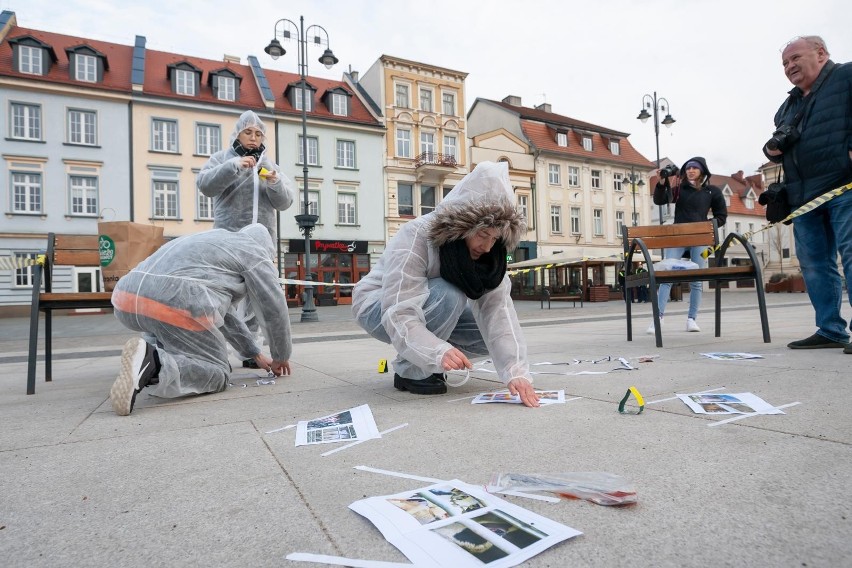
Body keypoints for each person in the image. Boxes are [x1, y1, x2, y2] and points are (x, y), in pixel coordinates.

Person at [352, 161, 540, 407]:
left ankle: (422, 354)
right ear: (463, 226)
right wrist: (435, 352)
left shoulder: (490, 257)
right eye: (483, 235)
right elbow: (399, 309)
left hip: (432, 306)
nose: (487, 247)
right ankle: (411, 370)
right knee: (449, 294)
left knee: (488, 336)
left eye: (495, 238)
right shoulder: (417, 235)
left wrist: (515, 371)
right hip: (377, 305)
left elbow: (499, 314)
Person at [108, 224, 293, 416]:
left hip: (125, 299)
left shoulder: (213, 240)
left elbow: (224, 315)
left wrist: (254, 353)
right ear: (267, 250)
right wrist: (281, 355)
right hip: (174, 300)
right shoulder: (254, 251)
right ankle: (154, 362)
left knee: (183, 324)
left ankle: (148, 353)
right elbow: (273, 305)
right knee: (217, 372)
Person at [763, 36, 852, 352]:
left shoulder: (846, 76)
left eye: (795, 58)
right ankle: (830, 329)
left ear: (821, 53)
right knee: (814, 263)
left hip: (845, 185)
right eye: (785, 63)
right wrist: (773, 149)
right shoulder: (787, 106)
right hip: (804, 195)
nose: (789, 67)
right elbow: (780, 146)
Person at [197, 110, 296, 368]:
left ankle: (251, 353)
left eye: (258, 133)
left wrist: (274, 182)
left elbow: (285, 202)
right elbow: (205, 185)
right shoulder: (221, 159)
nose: (253, 138)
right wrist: (232, 167)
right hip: (228, 241)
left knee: (258, 299)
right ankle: (214, 350)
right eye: (248, 132)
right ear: (237, 134)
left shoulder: (268, 165)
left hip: (261, 245)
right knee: (223, 297)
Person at [647, 157, 727, 335]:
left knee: (696, 280)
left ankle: (692, 319)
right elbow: (660, 201)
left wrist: (706, 226)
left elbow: (721, 216)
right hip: (678, 237)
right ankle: (657, 318)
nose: (691, 170)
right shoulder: (679, 189)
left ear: (702, 171)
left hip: (700, 239)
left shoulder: (712, 192)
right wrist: (661, 182)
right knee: (667, 277)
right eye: (688, 168)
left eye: (695, 168)